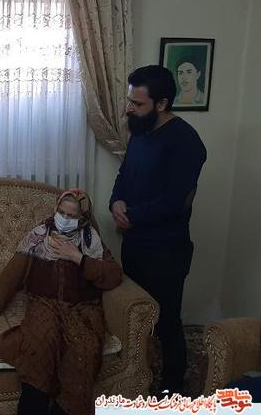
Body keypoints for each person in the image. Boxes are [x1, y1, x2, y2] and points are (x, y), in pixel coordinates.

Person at [0, 190, 122, 415]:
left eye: (71, 215)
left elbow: (113, 276)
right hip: (44, 303)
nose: (64, 219)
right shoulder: (39, 234)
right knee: (39, 342)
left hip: (82, 309)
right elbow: (14, 270)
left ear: (83, 218)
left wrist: (78, 258)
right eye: (61, 212)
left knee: (84, 350)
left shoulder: (90, 239)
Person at [111, 65, 207, 395]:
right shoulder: (140, 131)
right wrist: (115, 202)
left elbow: (175, 200)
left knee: (166, 321)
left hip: (166, 250)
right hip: (134, 243)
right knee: (136, 316)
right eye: (129, 100)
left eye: (137, 103)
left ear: (162, 104)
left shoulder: (186, 141)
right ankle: (138, 375)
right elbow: (124, 174)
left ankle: (173, 388)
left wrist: (132, 215)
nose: (129, 108)